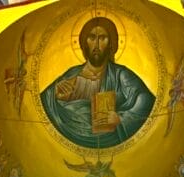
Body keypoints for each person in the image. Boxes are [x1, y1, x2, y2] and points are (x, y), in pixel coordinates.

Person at [40, 16, 155, 148]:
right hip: (72, 145)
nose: (97, 45)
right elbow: (43, 102)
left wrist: (121, 119)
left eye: (102, 38)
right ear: (84, 43)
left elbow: (145, 100)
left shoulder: (120, 75)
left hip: (110, 145)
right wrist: (55, 96)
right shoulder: (72, 74)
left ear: (111, 43)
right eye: (92, 38)